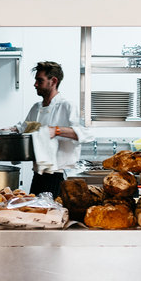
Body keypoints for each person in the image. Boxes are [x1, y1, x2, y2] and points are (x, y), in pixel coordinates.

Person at [20, 61, 88, 195]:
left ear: (53, 81)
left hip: (58, 176)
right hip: (38, 175)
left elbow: (84, 133)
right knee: (34, 213)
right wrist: (13, 130)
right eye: (36, 80)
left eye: (40, 80)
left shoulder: (67, 106)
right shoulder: (36, 108)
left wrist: (56, 130)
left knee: (53, 214)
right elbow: (25, 129)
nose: (35, 84)